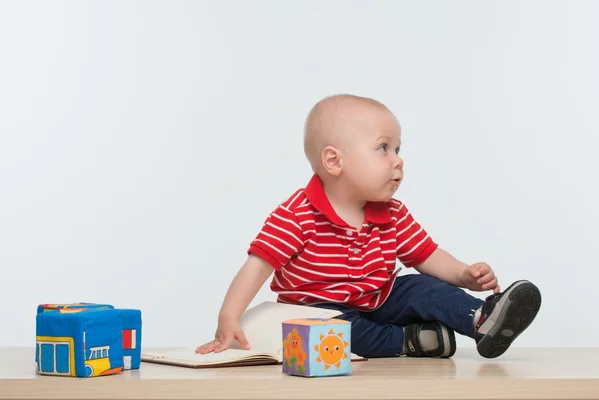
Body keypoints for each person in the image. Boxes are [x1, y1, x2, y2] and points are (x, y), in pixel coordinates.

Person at [196, 94, 542, 359]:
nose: (398, 159)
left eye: (397, 149)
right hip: (317, 308)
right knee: (337, 332)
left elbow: (426, 254)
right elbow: (257, 267)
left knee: (421, 286)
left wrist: (463, 273)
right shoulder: (297, 214)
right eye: (383, 148)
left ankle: (480, 319)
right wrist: (229, 316)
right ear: (335, 161)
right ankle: (412, 341)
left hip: (381, 297)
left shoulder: (391, 211)